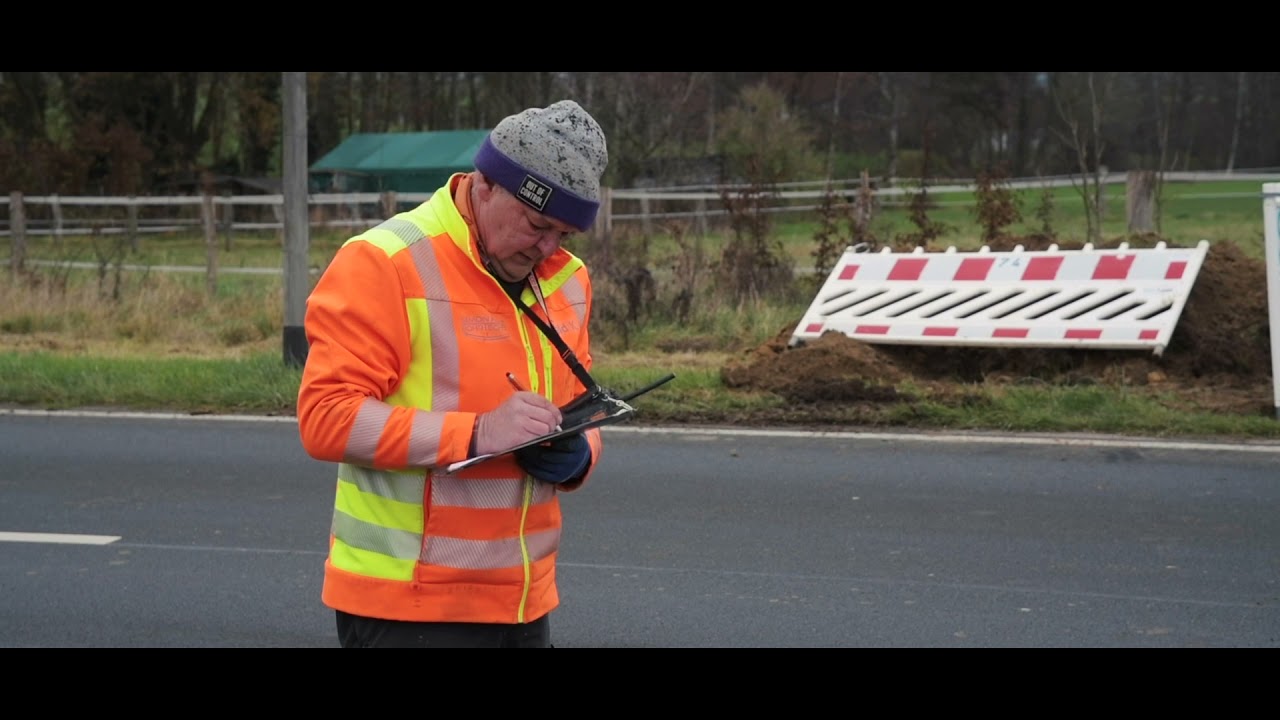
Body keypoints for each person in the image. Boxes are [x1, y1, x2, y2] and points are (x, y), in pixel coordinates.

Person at [296, 100, 609, 648]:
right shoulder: (385, 261)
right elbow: (326, 418)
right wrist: (474, 434)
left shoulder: (567, 281)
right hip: (407, 605)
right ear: (485, 185)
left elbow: (582, 406)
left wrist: (579, 453)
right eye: (537, 225)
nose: (547, 248)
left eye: (563, 234)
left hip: (521, 602)